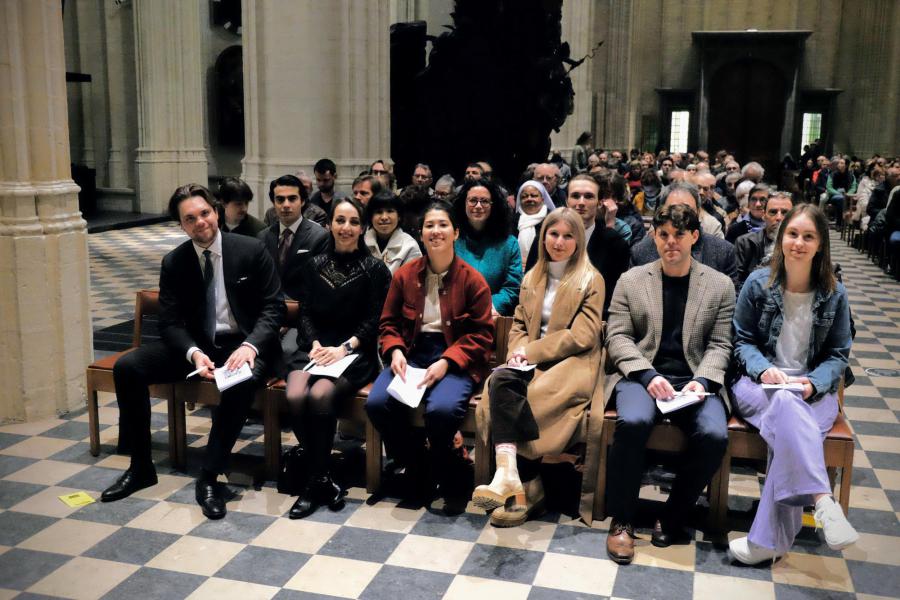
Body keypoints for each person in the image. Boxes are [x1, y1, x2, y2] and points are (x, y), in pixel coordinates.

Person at [100, 184, 284, 520]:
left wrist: (249, 346)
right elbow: (170, 323)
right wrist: (193, 354)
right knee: (128, 367)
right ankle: (141, 466)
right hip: (199, 346)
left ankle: (210, 477)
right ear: (181, 225)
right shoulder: (175, 262)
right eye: (190, 218)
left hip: (243, 345)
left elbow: (274, 308)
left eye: (204, 213)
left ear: (215, 212)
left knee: (239, 382)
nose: (200, 222)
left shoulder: (251, 250)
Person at [604, 204, 734, 565]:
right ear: (654, 236)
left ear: (695, 237)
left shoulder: (720, 285)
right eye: (663, 234)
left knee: (714, 435)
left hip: (694, 378)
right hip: (642, 374)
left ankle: (673, 515)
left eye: (679, 235)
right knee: (633, 422)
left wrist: (702, 380)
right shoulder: (632, 280)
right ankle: (623, 521)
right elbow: (617, 336)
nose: (671, 242)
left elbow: (722, 343)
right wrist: (648, 375)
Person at [729, 204, 858, 564]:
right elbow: (741, 341)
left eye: (808, 236)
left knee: (787, 420)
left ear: (820, 245)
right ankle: (822, 501)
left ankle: (766, 543)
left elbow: (837, 354)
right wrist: (763, 370)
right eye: (792, 234)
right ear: (780, 237)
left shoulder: (835, 293)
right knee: (784, 408)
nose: (798, 243)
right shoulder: (757, 283)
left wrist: (812, 384)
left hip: (811, 392)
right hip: (759, 386)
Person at [473, 208, 605, 527]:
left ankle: (523, 485)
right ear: (543, 236)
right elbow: (519, 321)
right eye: (553, 234)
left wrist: (530, 352)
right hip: (531, 359)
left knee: (528, 398)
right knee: (500, 382)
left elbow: (583, 335)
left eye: (567, 235)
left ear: (579, 240)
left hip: (572, 363)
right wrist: (518, 351)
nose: (559, 242)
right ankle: (513, 477)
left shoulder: (591, 279)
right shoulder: (533, 276)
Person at [366, 201, 494, 511]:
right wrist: (394, 349)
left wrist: (447, 361)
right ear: (421, 234)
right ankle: (419, 466)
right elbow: (389, 321)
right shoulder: (406, 274)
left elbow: (481, 335)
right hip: (412, 352)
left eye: (442, 225)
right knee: (377, 403)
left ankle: (448, 474)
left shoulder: (472, 280)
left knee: (441, 410)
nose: (435, 231)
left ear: (455, 233)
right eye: (429, 226)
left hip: (455, 357)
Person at [283, 198, 391, 519]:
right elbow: (305, 312)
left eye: (354, 221)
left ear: (362, 228)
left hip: (354, 353)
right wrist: (314, 342)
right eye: (340, 220)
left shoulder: (375, 269)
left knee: (319, 394)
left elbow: (375, 320)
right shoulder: (314, 264)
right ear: (330, 224)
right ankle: (324, 476)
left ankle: (314, 482)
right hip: (315, 349)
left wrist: (343, 348)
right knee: (294, 393)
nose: (346, 228)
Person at [527, 173, 630, 316]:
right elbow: (530, 288)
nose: (581, 202)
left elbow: (613, 300)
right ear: (566, 201)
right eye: (575, 196)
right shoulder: (545, 239)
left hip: (593, 322)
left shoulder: (615, 244)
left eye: (588, 196)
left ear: (600, 202)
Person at [630, 182, 739, 291]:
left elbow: (729, 301)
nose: (679, 216)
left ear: (698, 212)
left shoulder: (723, 252)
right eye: (673, 209)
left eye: (687, 210)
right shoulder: (641, 252)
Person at [453, 179, 523, 317]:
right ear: (464, 204)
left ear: (493, 206)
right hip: (455, 314)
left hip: (493, 315)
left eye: (484, 201)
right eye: (473, 200)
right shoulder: (452, 239)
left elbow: (512, 287)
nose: (478, 206)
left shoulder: (510, 243)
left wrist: (484, 306)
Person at [258, 175, 329, 300]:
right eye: (280, 199)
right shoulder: (263, 237)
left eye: (292, 199)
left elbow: (320, 285)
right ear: (273, 203)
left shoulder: (320, 236)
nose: (286, 205)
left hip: (305, 310)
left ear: (302, 201)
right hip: (269, 311)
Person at [735, 191, 793, 288]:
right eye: (773, 212)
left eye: (785, 213)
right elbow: (736, 282)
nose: (779, 217)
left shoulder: (799, 246)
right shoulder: (745, 243)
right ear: (764, 215)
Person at [364, 191, 422, 274]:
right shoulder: (360, 243)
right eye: (378, 212)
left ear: (399, 216)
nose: (384, 217)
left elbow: (410, 283)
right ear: (371, 217)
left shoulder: (410, 246)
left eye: (390, 211)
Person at [511, 179, 556, 266]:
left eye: (534, 195)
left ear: (543, 199)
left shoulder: (552, 220)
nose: (529, 199)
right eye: (524, 196)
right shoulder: (512, 221)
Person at [825, 158, 857, 228]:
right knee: (841, 199)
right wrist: (838, 193)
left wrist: (847, 194)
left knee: (844, 199)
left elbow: (853, 187)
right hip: (834, 196)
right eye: (839, 163)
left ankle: (845, 223)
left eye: (842, 163)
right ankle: (839, 223)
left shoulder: (851, 175)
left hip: (847, 196)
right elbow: (829, 187)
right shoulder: (832, 174)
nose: (839, 164)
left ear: (846, 165)